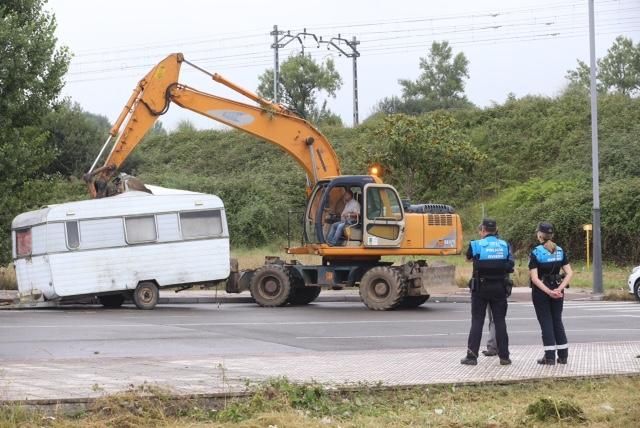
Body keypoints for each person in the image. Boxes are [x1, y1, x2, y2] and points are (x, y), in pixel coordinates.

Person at [461, 218, 514, 366]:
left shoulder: (476, 244)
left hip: (480, 287)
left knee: (477, 321)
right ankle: (504, 357)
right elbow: (510, 266)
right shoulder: (504, 245)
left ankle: (471, 357)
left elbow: (468, 258)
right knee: (500, 321)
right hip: (500, 288)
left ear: (483, 230)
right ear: (496, 230)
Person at [529, 222, 574, 365]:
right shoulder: (560, 250)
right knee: (557, 321)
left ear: (539, 235)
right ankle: (563, 356)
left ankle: (549, 357)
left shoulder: (536, 252)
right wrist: (559, 289)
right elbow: (569, 272)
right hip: (557, 289)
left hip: (542, 291)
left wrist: (548, 291)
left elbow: (535, 278)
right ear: (551, 235)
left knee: (546, 323)